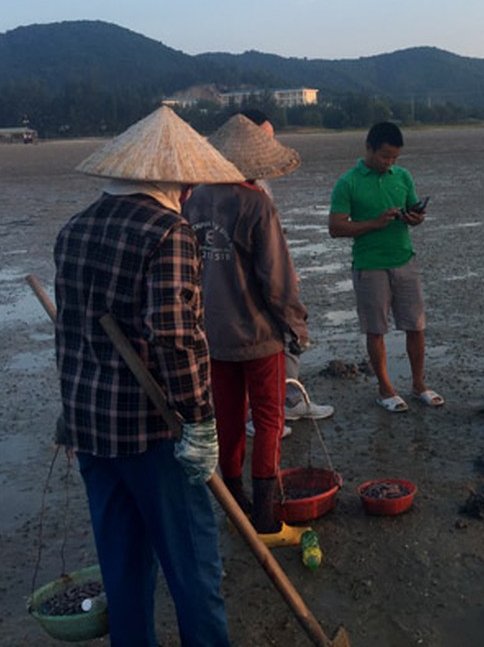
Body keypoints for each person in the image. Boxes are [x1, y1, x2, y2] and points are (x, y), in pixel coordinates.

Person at [53, 105, 241, 645]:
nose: (187, 192)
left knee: (124, 572)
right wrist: (201, 422)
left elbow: (69, 330)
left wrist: (68, 410)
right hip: (153, 432)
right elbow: (176, 338)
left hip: (92, 433)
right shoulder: (167, 233)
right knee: (194, 574)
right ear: (173, 180)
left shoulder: (74, 228)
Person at [183, 114, 310, 547]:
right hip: (258, 336)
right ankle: (267, 519)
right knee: (270, 421)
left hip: (211, 336)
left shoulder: (193, 200)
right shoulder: (256, 203)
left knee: (230, 422)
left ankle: (234, 508)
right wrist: (296, 325)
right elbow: (277, 281)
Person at [328, 121, 443, 411]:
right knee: (376, 329)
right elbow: (336, 227)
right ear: (369, 148)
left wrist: (414, 217)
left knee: (416, 326)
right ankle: (385, 388)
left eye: (394, 157)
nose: (389, 162)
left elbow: (413, 208)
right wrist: (374, 223)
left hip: (404, 258)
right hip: (370, 265)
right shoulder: (348, 182)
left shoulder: (402, 176)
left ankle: (419, 384)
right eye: (384, 156)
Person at [234, 109, 335, 428]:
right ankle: (258, 413)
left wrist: (285, 269)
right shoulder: (220, 184)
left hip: (271, 271)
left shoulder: (259, 179)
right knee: (261, 342)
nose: (271, 144)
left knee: (287, 332)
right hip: (244, 282)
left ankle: (289, 398)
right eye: (265, 138)